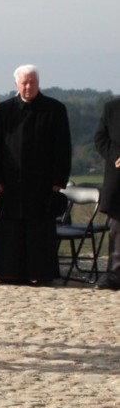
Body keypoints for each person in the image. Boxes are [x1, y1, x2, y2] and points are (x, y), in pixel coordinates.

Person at [0, 65, 72, 285]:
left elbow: (63, 148)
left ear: (38, 83)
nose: (28, 86)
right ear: (16, 84)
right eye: (24, 82)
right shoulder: (4, 110)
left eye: (32, 82)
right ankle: (10, 273)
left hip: (42, 183)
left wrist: (58, 181)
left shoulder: (54, 109)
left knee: (39, 230)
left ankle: (41, 273)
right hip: (10, 182)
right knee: (11, 229)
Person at [94, 95, 120, 290]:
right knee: (117, 229)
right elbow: (100, 139)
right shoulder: (111, 107)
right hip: (118, 178)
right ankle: (114, 274)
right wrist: (116, 156)